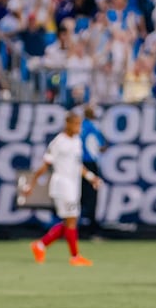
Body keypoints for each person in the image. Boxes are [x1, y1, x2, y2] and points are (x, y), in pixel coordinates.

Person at [23, 112, 102, 266]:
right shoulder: (58, 142)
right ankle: (75, 256)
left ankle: (40, 245)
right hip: (62, 184)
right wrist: (31, 184)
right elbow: (45, 165)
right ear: (68, 124)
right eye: (76, 124)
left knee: (70, 221)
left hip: (74, 185)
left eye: (80, 124)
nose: (79, 128)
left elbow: (78, 165)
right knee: (71, 220)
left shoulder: (77, 141)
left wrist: (91, 177)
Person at [79, 104, 107, 240]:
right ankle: (91, 229)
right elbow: (101, 145)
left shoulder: (79, 126)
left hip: (77, 165)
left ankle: (75, 227)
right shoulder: (93, 127)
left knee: (79, 196)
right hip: (89, 165)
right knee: (91, 197)